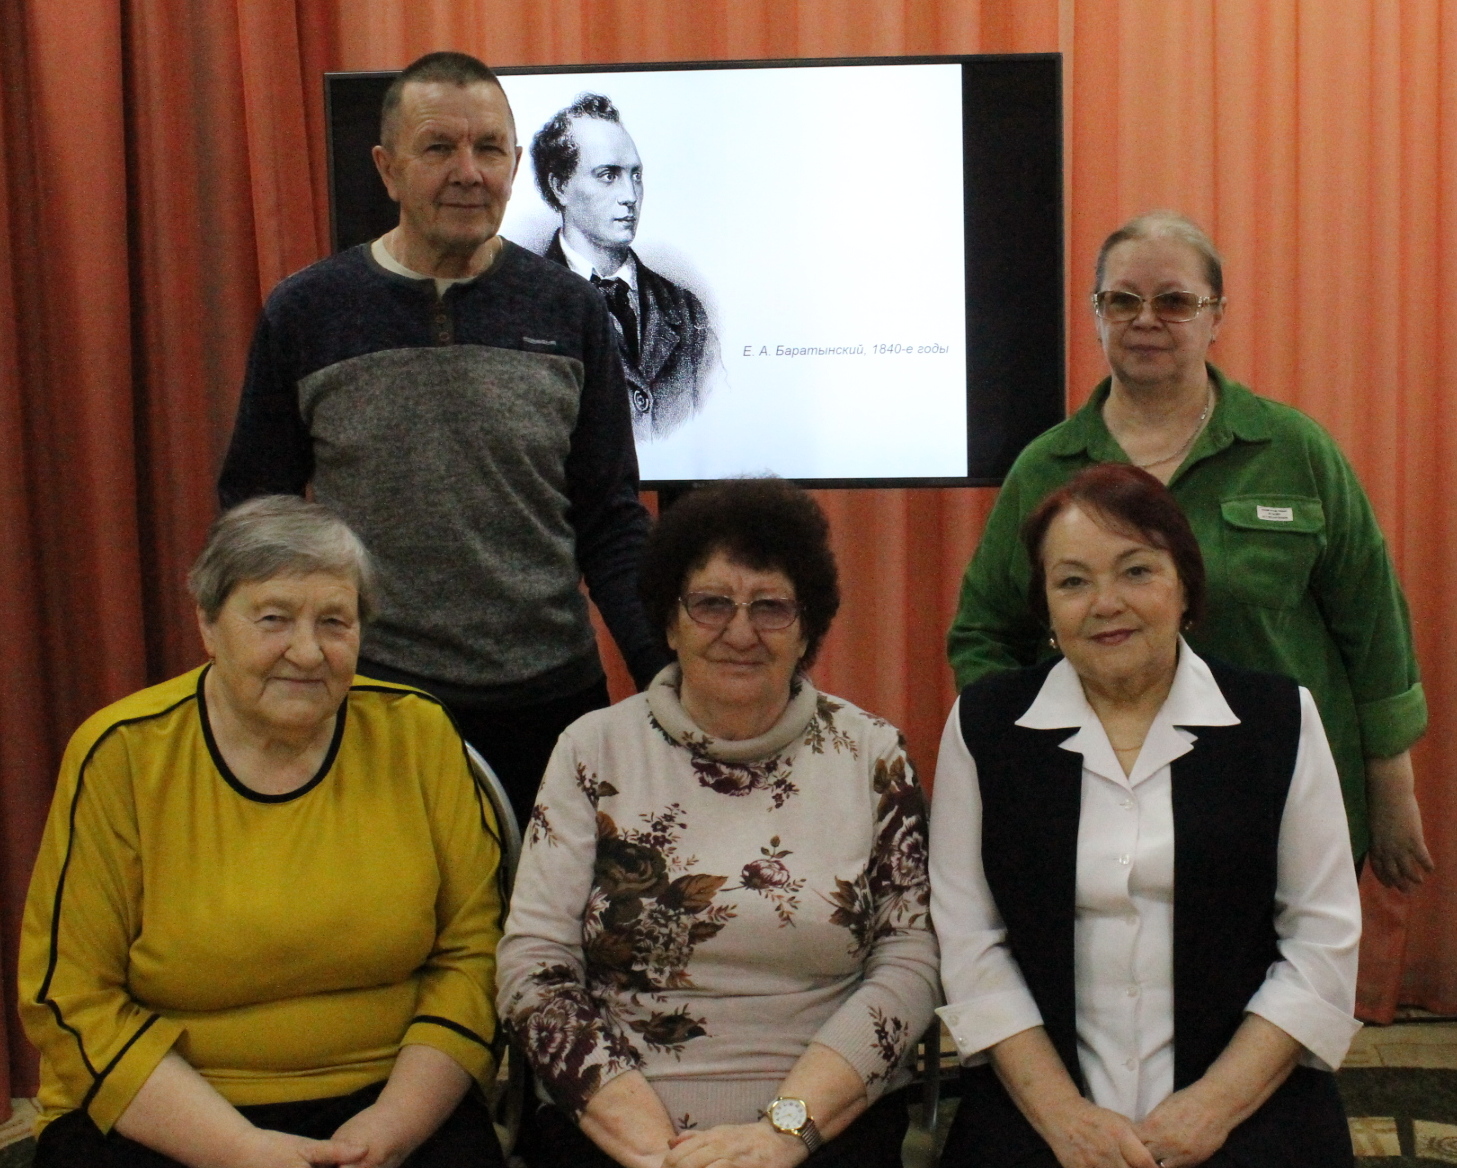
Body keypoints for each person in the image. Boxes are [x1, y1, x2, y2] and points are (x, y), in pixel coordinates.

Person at [218, 52, 669, 829]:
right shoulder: (306, 313)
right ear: (387, 169)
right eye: (438, 148)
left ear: (515, 166)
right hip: (372, 705)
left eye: (489, 149)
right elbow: (257, 517)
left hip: (551, 702)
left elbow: (610, 520)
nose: (468, 172)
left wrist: (663, 674)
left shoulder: (570, 311)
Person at [947, 210, 1431, 892]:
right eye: (1122, 300)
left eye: (1174, 301)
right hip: (1103, 813)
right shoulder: (1045, 469)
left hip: (1284, 802)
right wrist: (1023, 757)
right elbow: (983, 635)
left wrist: (1391, 786)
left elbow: (1372, 625)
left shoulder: (1292, 451)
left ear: (1216, 316)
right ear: (1096, 315)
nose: (1145, 319)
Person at [18, 496, 505, 1168]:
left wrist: (391, 1127)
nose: (307, 652)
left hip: (389, 1097)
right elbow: (70, 997)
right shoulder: (122, 753)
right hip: (167, 1107)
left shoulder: (418, 734)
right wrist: (238, 1149)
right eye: (273, 618)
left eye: (334, 622)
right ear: (208, 623)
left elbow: (476, 955)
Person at [496, 478, 939, 1168]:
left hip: (817, 1128)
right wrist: (654, 1147)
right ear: (669, 622)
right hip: (623, 1129)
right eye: (710, 604)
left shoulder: (871, 755)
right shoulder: (592, 750)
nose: (739, 632)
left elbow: (908, 963)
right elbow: (535, 966)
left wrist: (782, 1132)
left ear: (807, 629)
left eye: (771, 607)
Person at [931, 463, 1361, 1168]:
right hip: (1041, 1103)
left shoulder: (1278, 719)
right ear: (1045, 608)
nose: (1106, 603)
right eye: (1072, 582)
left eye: (1135, 571)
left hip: (1242, 1096)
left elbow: (1321, 938)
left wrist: (1213, 1107)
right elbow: (970, 941)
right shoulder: (985, 727)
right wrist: (1064, 1118)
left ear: (1184, 586)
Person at [533, 93, 716, 439]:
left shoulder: (686, 310)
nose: (630, 195)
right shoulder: (524, 304)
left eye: (636, 176)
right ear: (560, 187)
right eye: (608, 175)